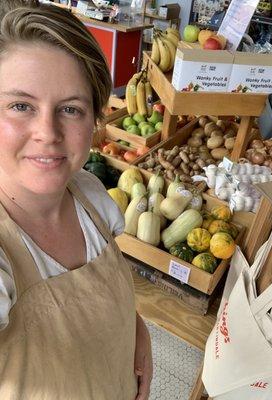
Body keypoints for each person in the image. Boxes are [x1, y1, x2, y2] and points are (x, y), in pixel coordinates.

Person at [0, 1, 152, 399]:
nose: (47, 132)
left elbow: (102, 301)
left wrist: (138, 333)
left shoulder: (90, 196)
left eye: (70, 108)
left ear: (95, 121)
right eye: (21, 106)